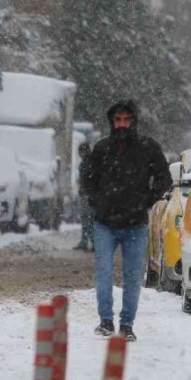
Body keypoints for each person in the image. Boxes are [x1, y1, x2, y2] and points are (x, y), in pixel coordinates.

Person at [82, 100, 171, 342]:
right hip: (105, 223)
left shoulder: (148, 148)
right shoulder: (102, 149)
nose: (122, 125)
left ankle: (127, 324)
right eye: (117, 120)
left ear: (133, 121)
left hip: (136, 224)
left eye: (126, 120)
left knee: (133, 276)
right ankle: (105, 321)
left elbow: (164, 178)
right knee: (104, 272)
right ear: (112, 122)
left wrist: (147, 200)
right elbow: (87, 180)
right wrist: (97, 201)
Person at [74, 141, 94, 251]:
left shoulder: (88, 164)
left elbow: (88, 180)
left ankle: (88, 241)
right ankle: (86, 241)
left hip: (88, 195)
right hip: (86, 194)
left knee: (88, 219)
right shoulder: (86, 163)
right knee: (86, 219)